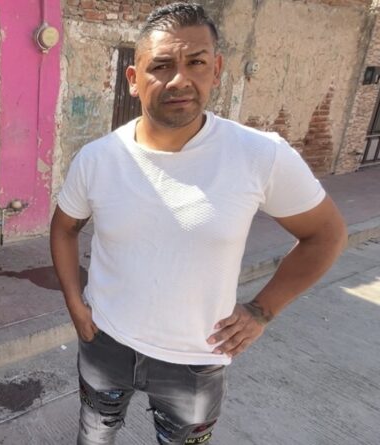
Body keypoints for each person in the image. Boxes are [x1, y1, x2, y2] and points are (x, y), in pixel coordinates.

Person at [50, 3, 347, 444]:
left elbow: (325, 234)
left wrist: (261, 310)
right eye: (161, 66)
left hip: (196, 360)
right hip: (105, 341)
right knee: (94, 435)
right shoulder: (97, 159)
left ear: (217, 70)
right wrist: (76, 304)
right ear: (133, 78)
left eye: (196, 63)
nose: (179, 80)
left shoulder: (260, 155)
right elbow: (64, 228)